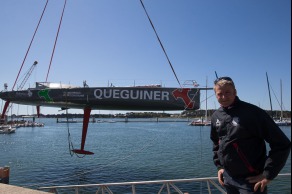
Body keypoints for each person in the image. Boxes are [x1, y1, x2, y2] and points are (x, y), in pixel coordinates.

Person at [210, 76, 291, 194]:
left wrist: (268, 174)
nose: (223, 97)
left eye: (227, 92)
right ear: (216, 95)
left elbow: (282, 144)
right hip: (228, 179)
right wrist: (220, 167)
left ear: (235, 92)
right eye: (219, 94)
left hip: (251, 181)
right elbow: (216, 143)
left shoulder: (253, 113)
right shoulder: (216, 116)